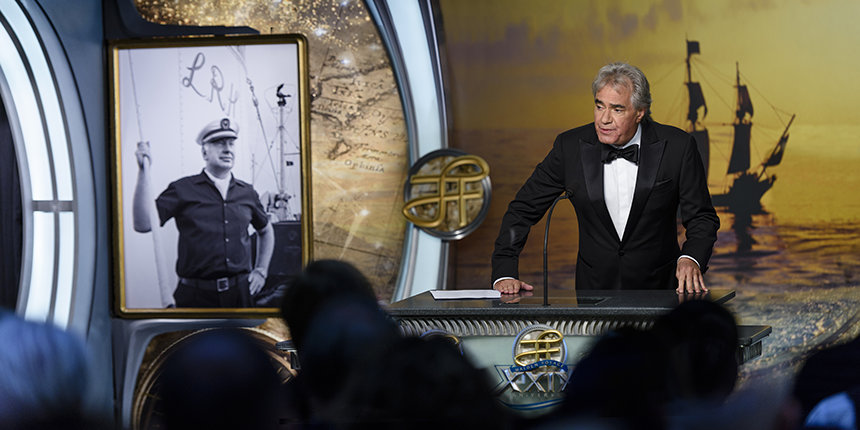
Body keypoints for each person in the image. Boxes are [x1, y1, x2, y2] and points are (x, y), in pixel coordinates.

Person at [492, 62, 719, 294]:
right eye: (599, 106)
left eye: (617, 109)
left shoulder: (678, 146)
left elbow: (702, 217)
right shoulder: (569, 148)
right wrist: (504, 270)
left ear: (640, 112)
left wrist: (691, 257)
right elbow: (522, 209)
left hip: (661, 289)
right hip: (593, 292)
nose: (604, 119)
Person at [133, 117, 274, 308]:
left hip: (240, 296)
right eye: (219, 143)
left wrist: (261, 270)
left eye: (231, 143)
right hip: (195, 297)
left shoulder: (247, 193)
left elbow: (266, 231)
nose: (228, 149)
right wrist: (143, 171)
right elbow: (142, 224)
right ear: (204, 152)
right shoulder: (182, 189)